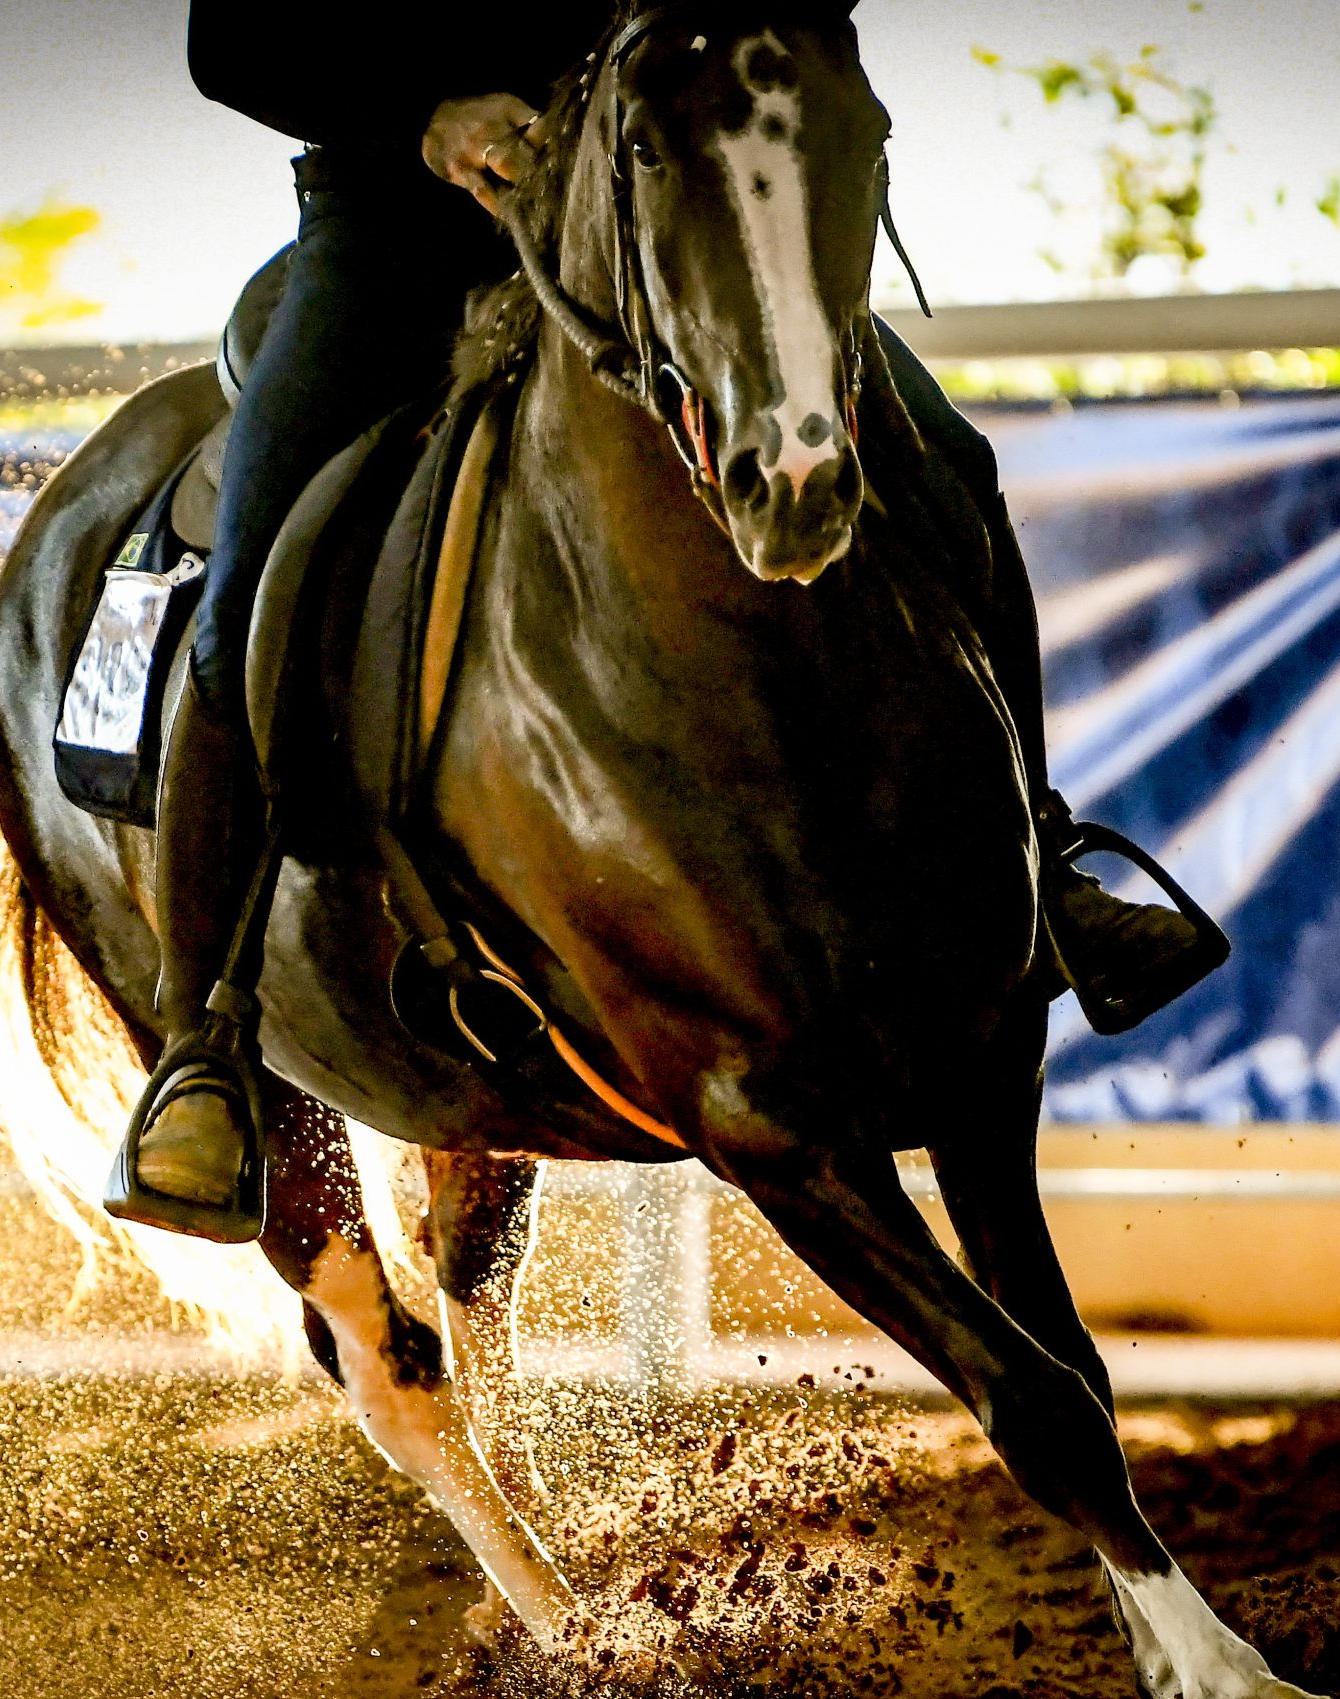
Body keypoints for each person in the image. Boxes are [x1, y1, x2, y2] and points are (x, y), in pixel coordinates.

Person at [111, 5, 1218, 1240]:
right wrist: (424, 116)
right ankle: (199, 1039)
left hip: (664, 208)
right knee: (250, 581)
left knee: (949, 461)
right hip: (396, 232)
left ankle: (1042, 859)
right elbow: (235, 39)